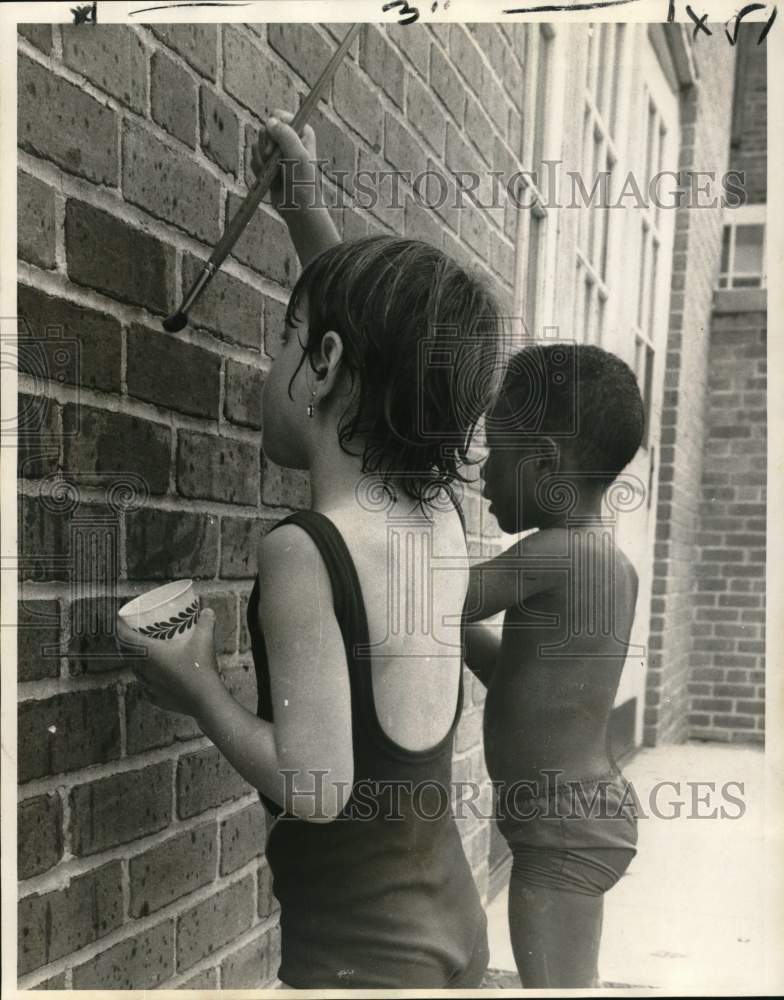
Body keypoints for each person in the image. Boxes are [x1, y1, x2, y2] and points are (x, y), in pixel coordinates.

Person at [117, 112, 501, 988]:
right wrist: (304, 211)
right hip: (447, 929)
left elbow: (317, 788)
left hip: (358, 965)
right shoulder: (433, 517)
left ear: (323, 361)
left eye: (283, 339)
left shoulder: (302, 552)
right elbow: (381, 341)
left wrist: (196, 686)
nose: (274, 362)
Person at [463, 343, 644, 988]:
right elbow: (521, 679)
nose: (481, 477)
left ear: (542, 463)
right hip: (578, 815)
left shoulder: (552, 554)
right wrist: (458, 637)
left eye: (493, 457)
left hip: (561, 828)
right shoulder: (610, 563)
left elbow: (434, 599)